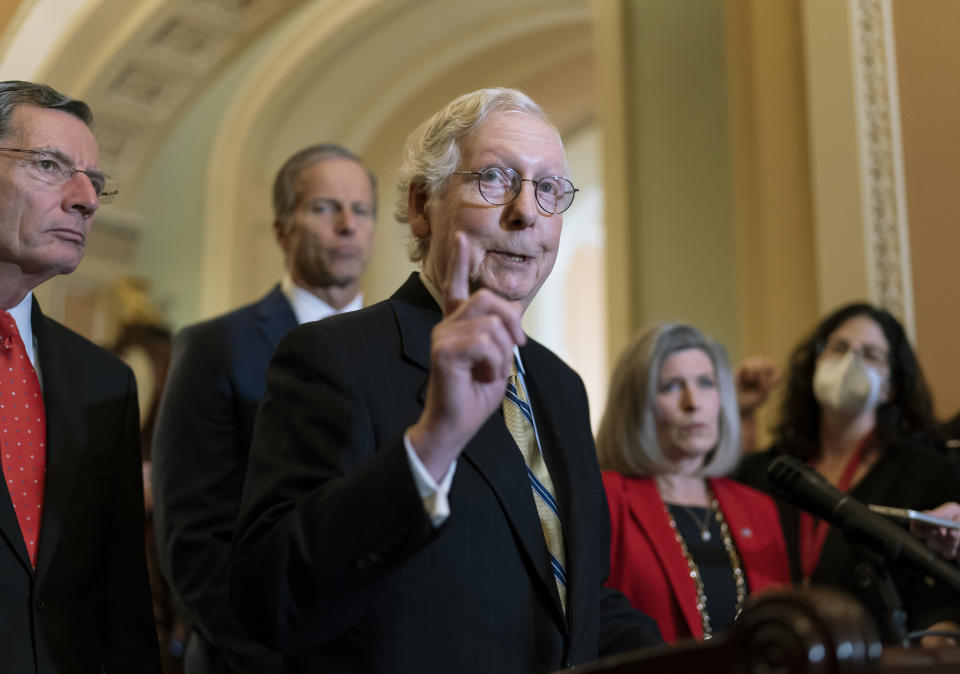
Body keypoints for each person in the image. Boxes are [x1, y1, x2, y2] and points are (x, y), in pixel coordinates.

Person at [230, 88, 662, 673]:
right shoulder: (333, 355)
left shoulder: (561, 385)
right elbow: (271, 600)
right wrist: (432, 440)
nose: (526, 212)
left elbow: (573, 601)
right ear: (420, 205)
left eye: (549, 190)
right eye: (494, 179)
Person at [152, 143, 377, 673]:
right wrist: (272, 657)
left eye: (361, 210)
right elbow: (193, 538)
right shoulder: (214, 348)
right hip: (254, 658)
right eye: (324, 208)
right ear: (282, 230)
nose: (348, 225)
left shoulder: (403, 346)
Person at [0, 81, 160, 672]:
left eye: (94, 180)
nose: (86, 199)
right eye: (50, 165)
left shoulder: (105, 382)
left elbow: (120, 596)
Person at [737, 302, 960, 642]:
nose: (850, 361)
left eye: (870, 354)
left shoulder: (925, 472)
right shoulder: (773, 469)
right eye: (839, 348)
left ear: (890, 388)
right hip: (780, 650)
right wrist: (741, 411)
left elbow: (936, 603)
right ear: (815, 362)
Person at [596, 323, 790, 643]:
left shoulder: (759, 509)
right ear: (636, 408)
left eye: (705, 383)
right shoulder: (607, 497)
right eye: (671, 386)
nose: (693, 402)